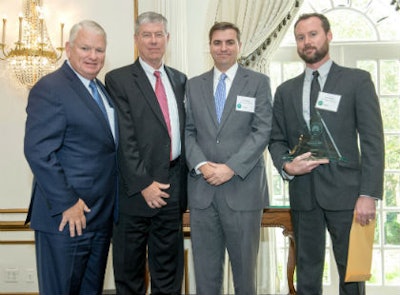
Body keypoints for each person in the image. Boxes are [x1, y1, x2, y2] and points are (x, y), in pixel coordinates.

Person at [268, 13, 384, 295]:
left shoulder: (357, 81)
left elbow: (372, 141)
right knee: (306, 270)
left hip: (348, 195)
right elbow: (276, 139)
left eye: (313, 34)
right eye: (300, 37)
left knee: (351, 271)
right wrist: (286, 166)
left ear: (328, 36)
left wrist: (368, 194)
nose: (307, 42)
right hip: (304, 194)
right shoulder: (285, 91)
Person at [24, 20, 118, 295]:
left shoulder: (101, 90)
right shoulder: (51, 87)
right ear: (68, 49)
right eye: (85, 48)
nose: (93, 56)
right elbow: (39, 152)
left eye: (99, 50)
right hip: (65, 219)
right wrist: (67, 203)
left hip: (98, 219)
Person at [185, 21, 273, 295]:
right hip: (202, 192)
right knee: (206, 277)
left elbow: (262, 131)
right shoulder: (193, 85)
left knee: (245, 278)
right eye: (217, 42)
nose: (223, 48)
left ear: (239, 46)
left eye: (229, 42)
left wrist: (231, 168)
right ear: (209, 46)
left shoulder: (258, 83)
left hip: (243, 191)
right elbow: (187, 131)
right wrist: (201, 165)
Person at [105, 11, 187, 295]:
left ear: (167, 39)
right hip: (134, 193)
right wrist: (144, 184)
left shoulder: (179, 79)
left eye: (158, 35)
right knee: (130, 275)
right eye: (146, 35)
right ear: (136, 39)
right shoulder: (118, 79)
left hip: (173, 187)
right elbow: (124, 138)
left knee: (169, 273)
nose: (153, 41)